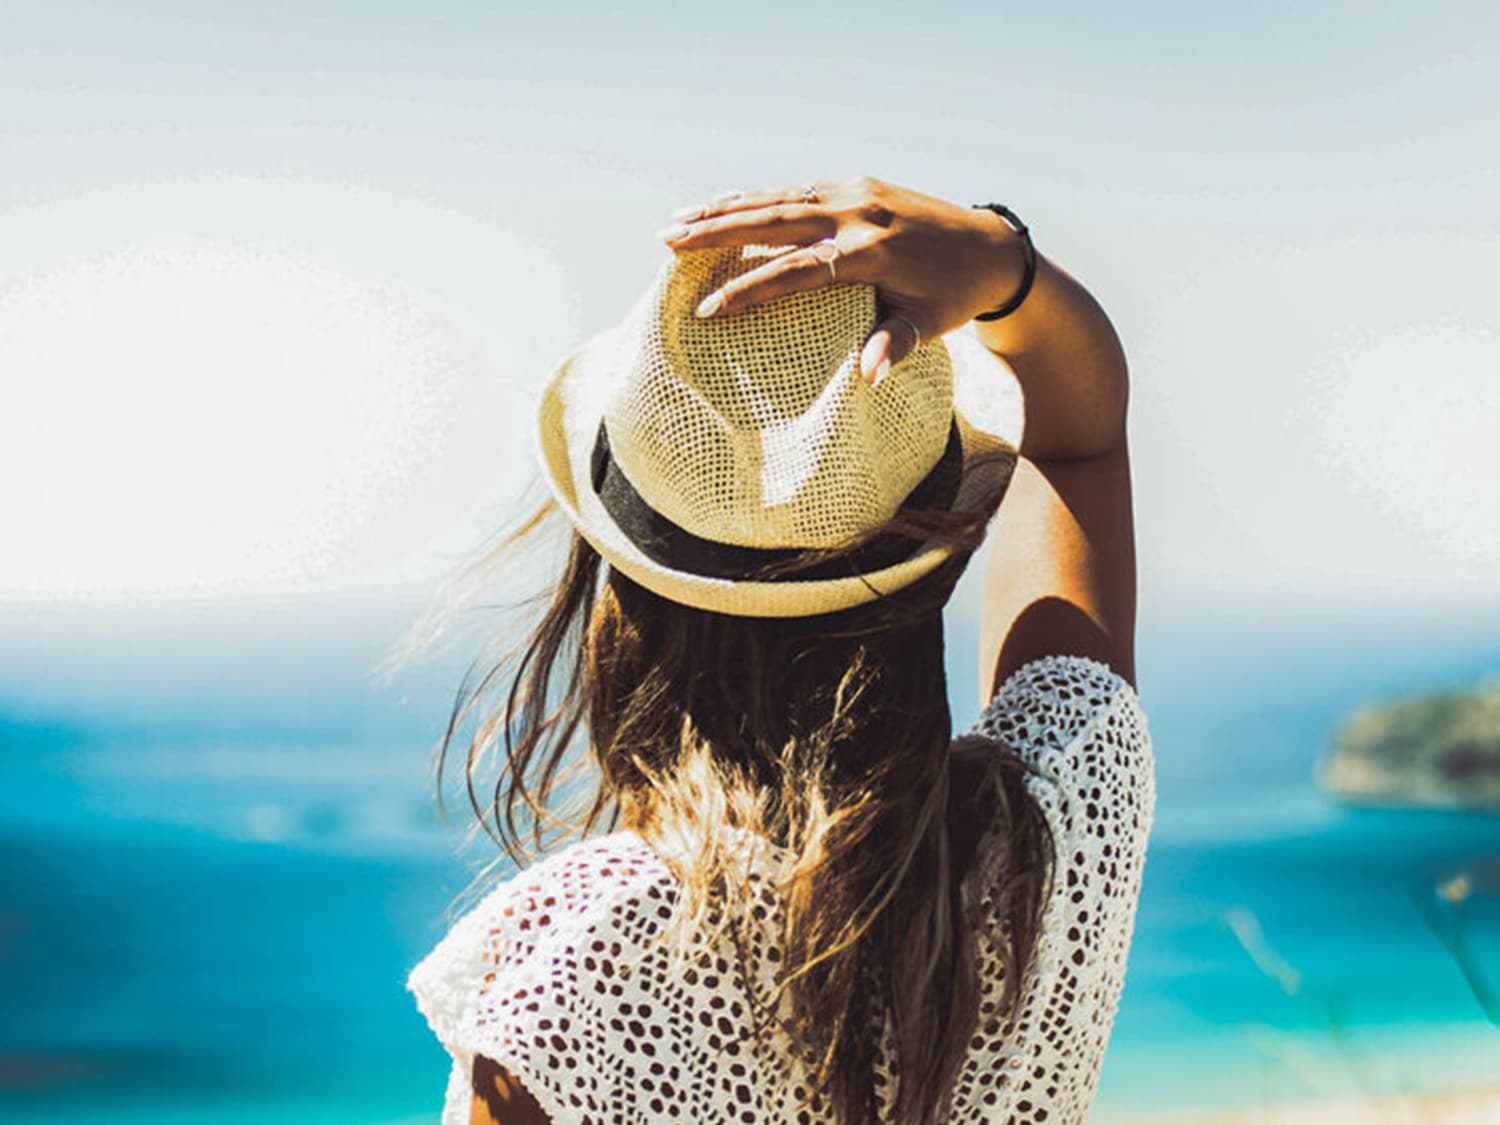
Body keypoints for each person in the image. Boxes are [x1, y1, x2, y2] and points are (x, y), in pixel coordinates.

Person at [406, 175, 1155, 1125]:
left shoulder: (578, 968)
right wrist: (1004, 263)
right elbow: (1080, 442)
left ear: (620, 592)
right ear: (931, 559)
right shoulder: (1052, 840)